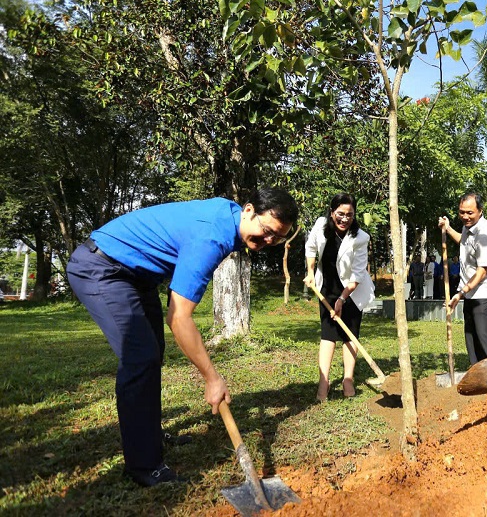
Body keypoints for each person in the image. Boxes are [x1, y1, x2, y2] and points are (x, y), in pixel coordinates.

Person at [66, 188, 298, 486]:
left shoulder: (229, 216)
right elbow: (178, 317)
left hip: (138, 277)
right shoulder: (211, 237)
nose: (269, 241)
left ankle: (147, 434)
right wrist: (212, 378)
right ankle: (144, 465)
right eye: (267, 232)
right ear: (249, 210)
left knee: (153, 353)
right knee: (141, 357)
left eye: (277, 238)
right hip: (103, 268)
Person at [304, 193, 375, 402]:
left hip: (351, 291)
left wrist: (342, 299)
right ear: (332, 212)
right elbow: (310, 248)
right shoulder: (320, 225)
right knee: (328, 335)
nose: (345, 219)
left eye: (349, 215)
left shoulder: (361, 238)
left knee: (350, 335)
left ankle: (348, 379)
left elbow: (357, 274)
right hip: (326, 288)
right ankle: (323, 382)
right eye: (340, 214)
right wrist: (309, 273)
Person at [438, 192, 487, 364]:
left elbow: (482, 271)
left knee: (484, 338)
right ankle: (478, 374)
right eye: (462, 212)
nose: (465, 217)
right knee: (471, 338)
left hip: (485, 294)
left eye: (470, 213)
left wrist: (460, 293)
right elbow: (464, 242)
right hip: (471, 292)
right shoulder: (469, 228)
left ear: (480, 211)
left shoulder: (485, 235)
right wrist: (448, 228)